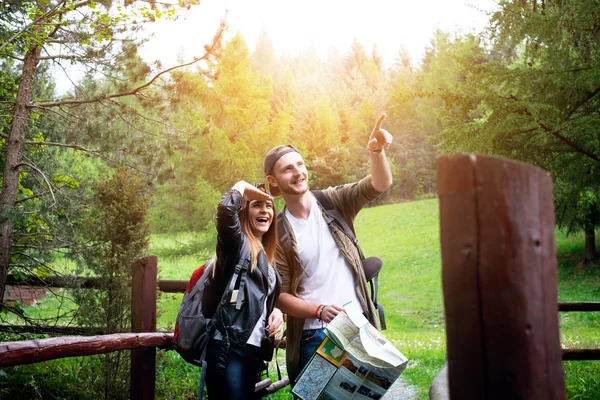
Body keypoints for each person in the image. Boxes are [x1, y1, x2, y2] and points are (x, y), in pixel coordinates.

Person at [264, 113, 393, 384]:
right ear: (273, 180)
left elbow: (379, 184)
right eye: (287, 169)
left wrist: (376, 151)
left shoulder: (334, 202)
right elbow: (281, 296)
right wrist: (318, 310)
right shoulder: (278, 232)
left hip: (359, 328)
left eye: (300, 164)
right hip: (314, 336)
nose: (298, 172)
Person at [204, 181, 284, 399]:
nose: (265, 210)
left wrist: (276, 311)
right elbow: (226, 212)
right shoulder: (236, 246)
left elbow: (258, 299)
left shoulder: (267, 260)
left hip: (251, 351)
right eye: (257, 205)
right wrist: (241, 186)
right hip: (229, 348)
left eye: (269, 206)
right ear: (244, 212)